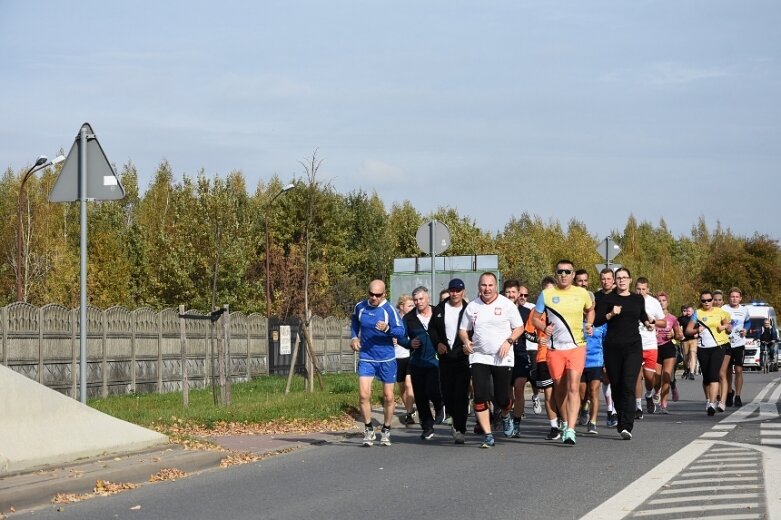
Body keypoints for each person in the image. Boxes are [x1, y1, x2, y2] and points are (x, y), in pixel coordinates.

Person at [533, 260, 594, 446]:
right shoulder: (546, 294)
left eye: (567, 272)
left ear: (573, 274)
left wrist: (589, 323)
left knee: (574, 387)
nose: (564, 275)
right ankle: (565, 421)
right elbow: (535, 318)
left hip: (576, 347)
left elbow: (590, 310)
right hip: (555, 349)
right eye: (560, 272)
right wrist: (544, 326)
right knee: (559, 388)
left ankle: (571, 430)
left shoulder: (581, 293)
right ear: (556, 273)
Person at [459, 272, 524, 448]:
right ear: (479, 287)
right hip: (479, 356)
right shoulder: (472, 306)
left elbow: (519, 327)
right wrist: (466, 341)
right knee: (480, 396)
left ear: (496, 286)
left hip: (502, 358)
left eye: (490, 285)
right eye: (483, 285)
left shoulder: (506, 305)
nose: (487, 289)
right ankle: (488, 435)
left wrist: (509, 341)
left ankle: (505, 415)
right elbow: (463, 329)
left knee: (502, 398)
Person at [594, 267, 649, 440]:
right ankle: (620, 417)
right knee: (616, 386)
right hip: (613, 347)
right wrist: (611, 314)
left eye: (625, 277)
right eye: (619, 278)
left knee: (628, 384)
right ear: (614, 281)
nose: (622, 280)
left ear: (630, 280)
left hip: (633, 346)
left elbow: (642, 315)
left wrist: (649, 322)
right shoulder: (607, 298)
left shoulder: (637, 299)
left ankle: (627, 425)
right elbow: (597, 321)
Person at [351, 280, 406, 446]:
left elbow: (401, 331)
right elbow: (354, 322)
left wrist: (387, 329)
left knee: (389, 397)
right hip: (367, 356)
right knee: (363, 394)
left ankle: (386, 429)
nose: (374, 298)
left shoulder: (389, 310)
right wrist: (354, 337)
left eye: (378, 295)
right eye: (371, 294)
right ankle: (368, 429)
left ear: (384, 294)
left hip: (386, 358)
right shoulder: (360, 307)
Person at [398, 286, 444, 440]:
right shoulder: (409, 318)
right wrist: (410, 343)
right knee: (420, 396)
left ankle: (439, 407)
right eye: (415, 300)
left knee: (432, 389)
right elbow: (401, 337)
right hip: (417, 362)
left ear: (428, 298)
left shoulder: (438, 312)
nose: (418, 302)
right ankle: (427, 426)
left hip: (436, 361)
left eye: (421, 299)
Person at [431, 278, 471, 444]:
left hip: (462, 356)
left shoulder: (469, 309)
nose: (455, 293)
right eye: (452, 290)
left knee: (461, 394)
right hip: (445, 357)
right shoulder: (440, 309)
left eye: (458, 291)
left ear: (463, 292)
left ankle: (460, 429)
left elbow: (476, 329)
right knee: (447, 394)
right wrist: (438, 344)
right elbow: (431, 329)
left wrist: (469, 344)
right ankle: (453, 417)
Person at [686, 290, 731, 415]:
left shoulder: (720, 312)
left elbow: (727, 326)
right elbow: (688, 330)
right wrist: (696, 330)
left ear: (712, 300)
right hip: (703, 348)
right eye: (703, 300)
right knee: (706, 377)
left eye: (709, 300)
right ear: (701, 302)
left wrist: (725, 327)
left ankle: (712, 403)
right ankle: (708, 400)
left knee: (714, 375)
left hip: (718, 347)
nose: (706, 302)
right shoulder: (697, 313)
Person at [527, 276, 560, 440]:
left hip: (561, 354)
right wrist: (538, 339)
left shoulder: (561, 307)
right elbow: (527, 332)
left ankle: (565, 420)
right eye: (545, 290)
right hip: (543, 356)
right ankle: (554, 426)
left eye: (551, 290)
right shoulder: (535, 311)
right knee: (548, 394)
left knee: (562, 392)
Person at [503, 279, 532, 436]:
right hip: (503, 355)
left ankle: (517, 422)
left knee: (519, 387)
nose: (511, 294)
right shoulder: (498, 310)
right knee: (506, 395)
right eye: (508, 291)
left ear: (518, 294)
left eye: (514, 292)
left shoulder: (526, 313)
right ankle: (505, 416)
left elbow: (531, 333)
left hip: (520, 353)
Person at [574, 270, 602, 435]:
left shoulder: (600, 321)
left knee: (594, 390)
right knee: (582, 392)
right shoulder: (576, 319)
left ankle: (593, 422)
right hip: (579, 360)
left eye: (590, 303)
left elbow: (605, 341)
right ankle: (583, 408)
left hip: (596, 360)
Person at [634, 277, 665, 417]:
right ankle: (638, 407)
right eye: (638, 289)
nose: (640, 292)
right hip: (634, 343)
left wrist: (654, 323)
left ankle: (648, 394)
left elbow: (663, 322)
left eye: (643, 289)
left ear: (648, 289)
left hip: (650, 344)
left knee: (649, 377)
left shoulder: (653, 302)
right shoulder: (631, 300)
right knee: (637, 376)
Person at [653, 292, 683, 413]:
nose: (661, 303)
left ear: (667, 302)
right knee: (656, 377)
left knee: (666, 375)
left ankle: (663, 404)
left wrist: (674, 334)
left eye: (663, 300)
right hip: (655, 348)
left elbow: (680, 335)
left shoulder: (672, 318)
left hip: (668, 347)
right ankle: (656, 392)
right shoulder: (652, 317)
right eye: (659, 301)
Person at [596, 268, 618, 428]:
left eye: (608, 279)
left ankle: (616, 409)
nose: (606, 281)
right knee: (606, 376)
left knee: (616, 376)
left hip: (618, 339)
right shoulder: (596, 297)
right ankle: (610, 410)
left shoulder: (620, 296)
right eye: (603, 279)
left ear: (614, 280)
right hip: (600, 340)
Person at [722, 288, 750, 407]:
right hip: (727, 343)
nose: (734, 299)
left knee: (738, 370)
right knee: (727, 371)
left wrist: (746, 329)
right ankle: (729, 392)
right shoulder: (724, 309)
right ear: (729, 297)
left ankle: (738, 395)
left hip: (739, 343)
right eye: (732, 296)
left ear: (740, 298)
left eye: (736, 297)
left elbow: (748, 322)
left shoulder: (744, 310)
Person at [394, 294, 417, 426]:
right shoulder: (395, 320)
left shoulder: (413, 320)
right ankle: (409, 409)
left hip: (410, 355)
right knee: (402, 387)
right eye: (410, 306)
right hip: (396, 357)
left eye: (413, 305)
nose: (413, 307)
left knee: (409, 384)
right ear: (401, 306)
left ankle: (408, 414)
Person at [678, 305, 698, 380]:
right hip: (685, 340)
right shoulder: (681, 319)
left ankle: (692, 373)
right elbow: (678, 327)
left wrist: (697, 333)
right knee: (686, 357)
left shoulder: (695, 318)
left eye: (689, 311)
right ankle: (687, 369)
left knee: (693, 354)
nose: (687, 312)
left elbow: (700, 326)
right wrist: (679, 334)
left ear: (693, 311)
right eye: (686, 311)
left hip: (694, 339)